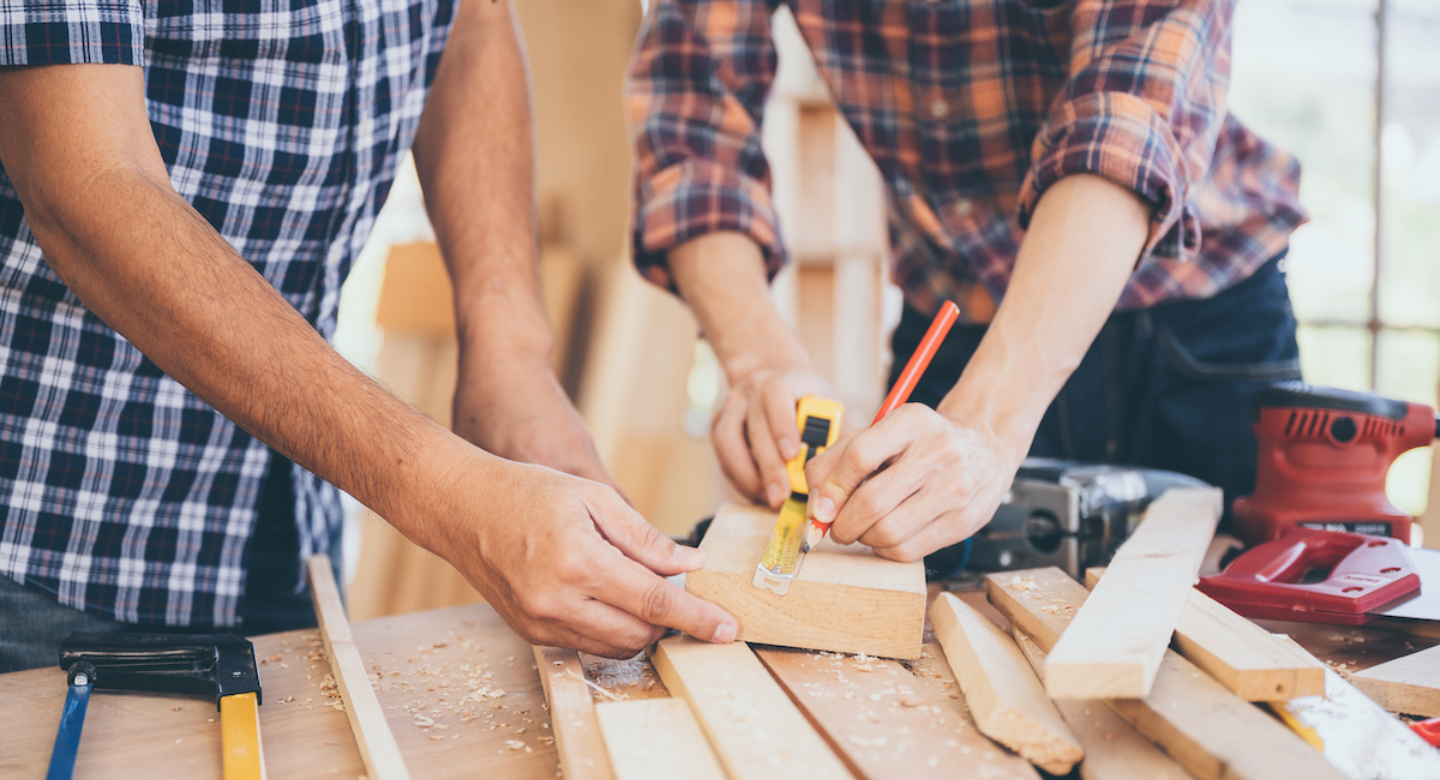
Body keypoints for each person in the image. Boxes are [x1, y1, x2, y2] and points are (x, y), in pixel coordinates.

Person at [0, 0, 737, 672]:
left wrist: (509, 355)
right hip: (51, 540)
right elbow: (89, 183)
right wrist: (454, 496)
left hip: (285, 527)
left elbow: (469, 22)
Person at [626, 0, 1306, 568]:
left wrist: (989, 421)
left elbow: (1125, 120)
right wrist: (756, 358)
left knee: (1235, 626)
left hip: (1198, 330)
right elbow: (691, 112)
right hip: (955, 315)